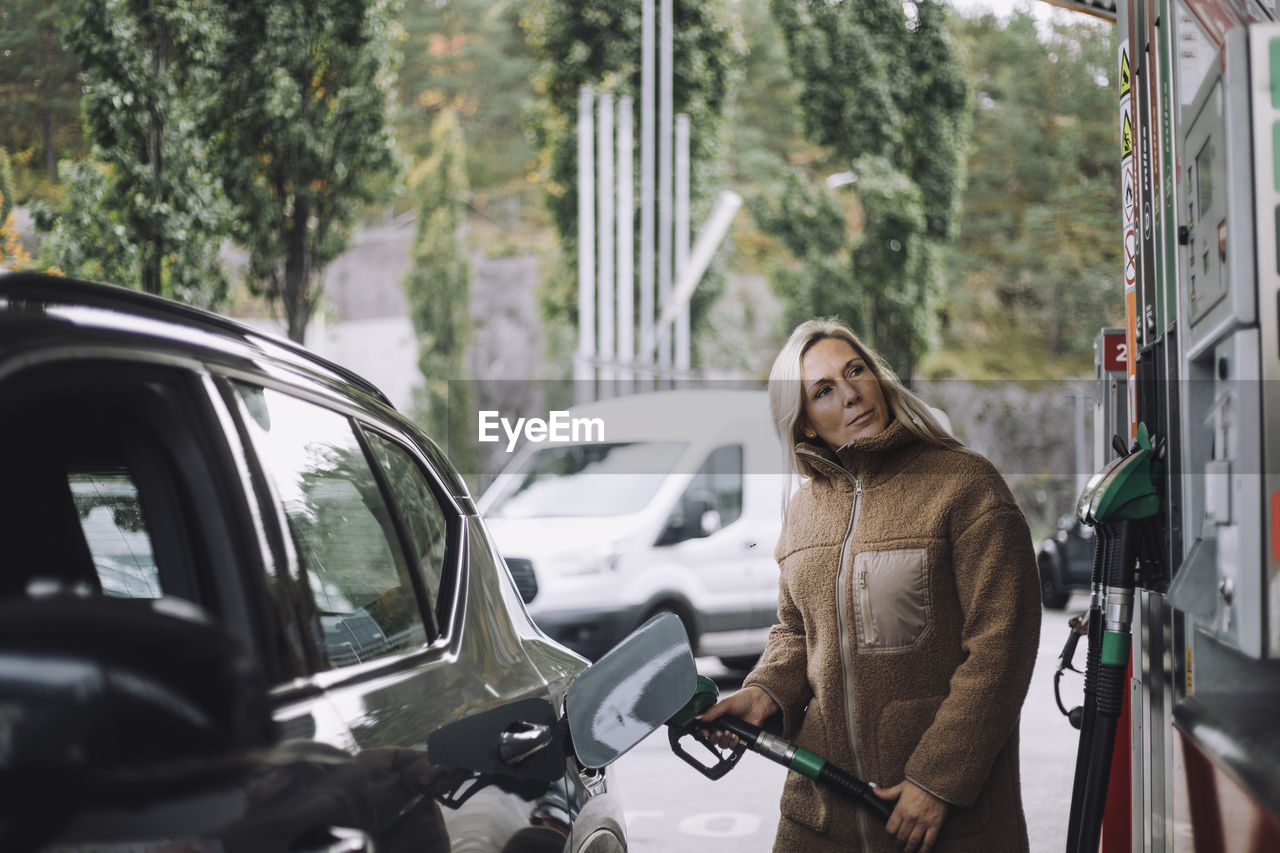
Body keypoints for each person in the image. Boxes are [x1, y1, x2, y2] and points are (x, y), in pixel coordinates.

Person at [699, 318, 1040, 853]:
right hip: (819, 818)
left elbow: (1003, 643)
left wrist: (939, 779)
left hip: (935, 821)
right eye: (824, 390)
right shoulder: (803, 512)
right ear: (805, 422)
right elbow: (795, 631)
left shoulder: (962, 485)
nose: (852, 393)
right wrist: (763, 695)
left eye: (855, 370)